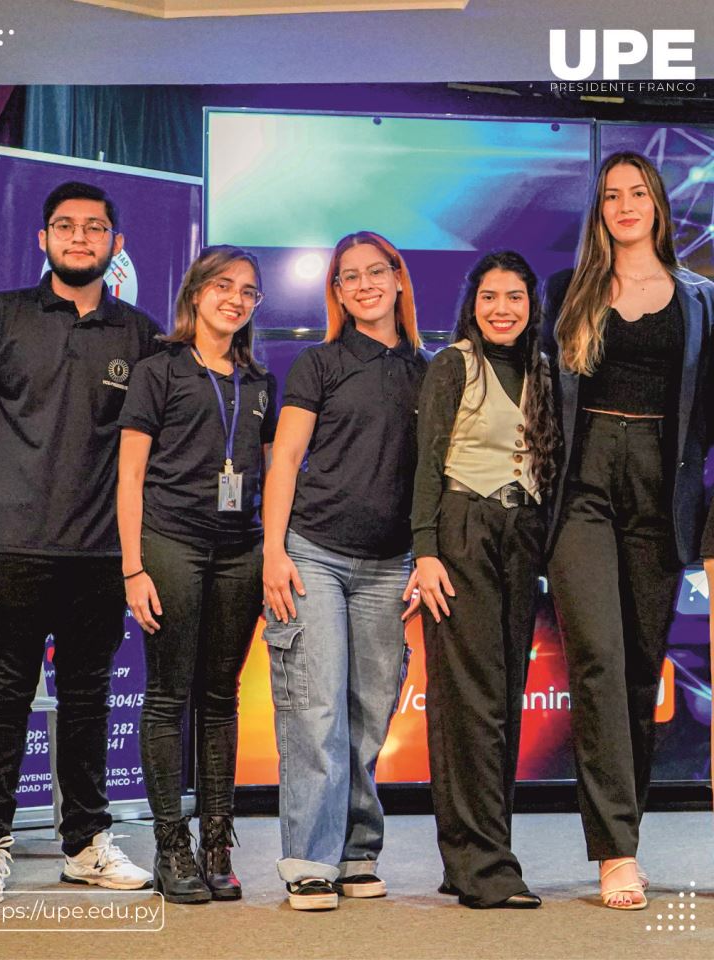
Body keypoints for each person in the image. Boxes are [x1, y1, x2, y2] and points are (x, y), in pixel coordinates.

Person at [0, 181, 160, 904]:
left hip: (102, 553)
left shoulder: (141, 333)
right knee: (4, 695)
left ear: (115, 245)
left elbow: (149, 449)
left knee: (89, 698)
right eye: (64, 227)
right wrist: (11, 485)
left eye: (93, 228)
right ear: (43, 239)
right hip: (13, 547)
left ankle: (87, 844)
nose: (78, 238)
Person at [543, 152, 714, 910]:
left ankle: (628, 834)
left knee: (642, 671)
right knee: (600, 663)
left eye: (636, 192)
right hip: (583, 490)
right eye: (610, 195)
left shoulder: (702, 301)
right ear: (599, 210)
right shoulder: (568, 291)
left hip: (661, 486)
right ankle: (614, 851)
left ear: (659, 204)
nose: (623, 205)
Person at [262, 231, 428, 911]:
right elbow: (286, 461)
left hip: (392, 565)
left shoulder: (430, 371)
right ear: (337, 291)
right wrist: (273, 551)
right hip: (314, 554)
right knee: (316, 709)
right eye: (348, 277)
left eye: (375, 273)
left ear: (397, 279)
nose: (363, 285)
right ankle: (309, 858)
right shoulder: (320, 364)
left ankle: (357, 850)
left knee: (367, 713)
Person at [117, 246, 276, 904]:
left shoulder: (260, 383)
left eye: (248, 291)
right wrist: (132, 568)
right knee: (168, 697)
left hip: (240, 549)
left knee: (220, 699)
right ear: (196, 293)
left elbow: (273, 475)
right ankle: (171, 845)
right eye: (223, 286)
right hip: (171, 543)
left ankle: (217, 844)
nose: (235, 299)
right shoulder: (160, 370)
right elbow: (128, 475)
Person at [412, 251, 557, 910]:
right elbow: (426, 464)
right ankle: (486, 865)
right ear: (473, 302)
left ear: (532, 306)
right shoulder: (454, 366)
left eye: (516, 297)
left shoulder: (542, 370)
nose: (503, 308)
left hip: (520, 536)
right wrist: (425, 550)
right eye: (491, 295)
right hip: (463, 530)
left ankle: (467, 853)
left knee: (503, 697)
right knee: (472, 703)